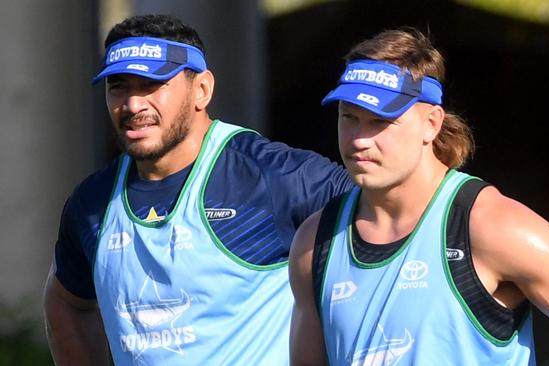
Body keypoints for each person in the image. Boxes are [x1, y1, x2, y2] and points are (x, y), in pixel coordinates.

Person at [288, 27, 549, 365]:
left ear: (431, 123)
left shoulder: (488, 225)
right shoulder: (313, 243)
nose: (359, 139)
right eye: (349, 117)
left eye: (380, 121)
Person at [43, 14, 353, 365]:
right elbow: (67, 301)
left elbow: (396, 224)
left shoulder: (275, 177)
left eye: (151, 84)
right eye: (119, 86)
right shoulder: (93, 204)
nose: (133, 104)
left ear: (202, 90)